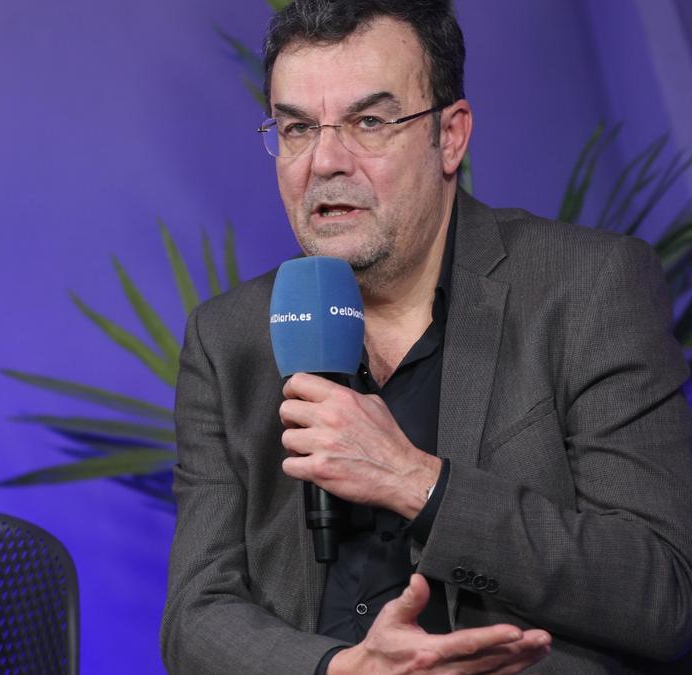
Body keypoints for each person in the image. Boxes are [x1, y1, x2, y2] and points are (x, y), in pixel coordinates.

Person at [161, 0, 692, 673]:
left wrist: (417, 481)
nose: (324, 161)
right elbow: (196, 615)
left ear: (451, 135)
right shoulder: (227, 337)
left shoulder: (584, 289)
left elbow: (663, 593)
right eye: (297, 128)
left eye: (369, 121)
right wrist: (342, 669)